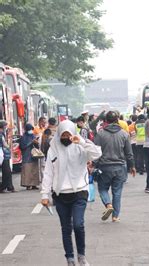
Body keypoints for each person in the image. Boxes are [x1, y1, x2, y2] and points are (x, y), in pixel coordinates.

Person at [40, 120, 102, 266]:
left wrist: (80, 141)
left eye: (69, 135)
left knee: (78, 224)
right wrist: (44, 194)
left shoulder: (81, 146)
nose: (66, 138)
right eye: (63, 135)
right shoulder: (53, 149)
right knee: (66, 227)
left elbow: (97, 153)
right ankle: (70, 259)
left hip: (79, 192)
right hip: (60, 195)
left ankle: (81, 256)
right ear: (59, 135)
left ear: (73, 133)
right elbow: (48, 172)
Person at [94, 111, 136, 222]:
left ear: (105, 121)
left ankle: (108, 205)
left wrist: (93, 165)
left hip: (104, 167)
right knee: (117, 192)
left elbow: (96, 152)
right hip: (120, 167)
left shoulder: (100, 134)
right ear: (117, 120)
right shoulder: (124, 134)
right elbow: (129, 153)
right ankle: (115, 216)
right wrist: (132, 166)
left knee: (103, 188)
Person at [20, 124, 41, 190]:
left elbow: (37, 146)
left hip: (34, 156)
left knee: (34, 170)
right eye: (29, 129)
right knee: (27, 171)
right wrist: (31, 142)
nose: (31, 131)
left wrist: (36, 142)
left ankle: (34, 184)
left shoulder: (33, 135)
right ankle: (28, 185)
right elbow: (22, 146)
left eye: (31, 129)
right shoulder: (23, 137)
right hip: (26, 156)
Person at [0, 121, 14, 193]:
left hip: (4, 155)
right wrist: (9, 146)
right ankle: (6, 187)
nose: (6, 127)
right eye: (5, 126)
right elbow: (4, 144)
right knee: (7, 171)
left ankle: (8, 186)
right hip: (3, 155)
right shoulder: (1, 134)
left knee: (6, 171)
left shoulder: (3, 134)